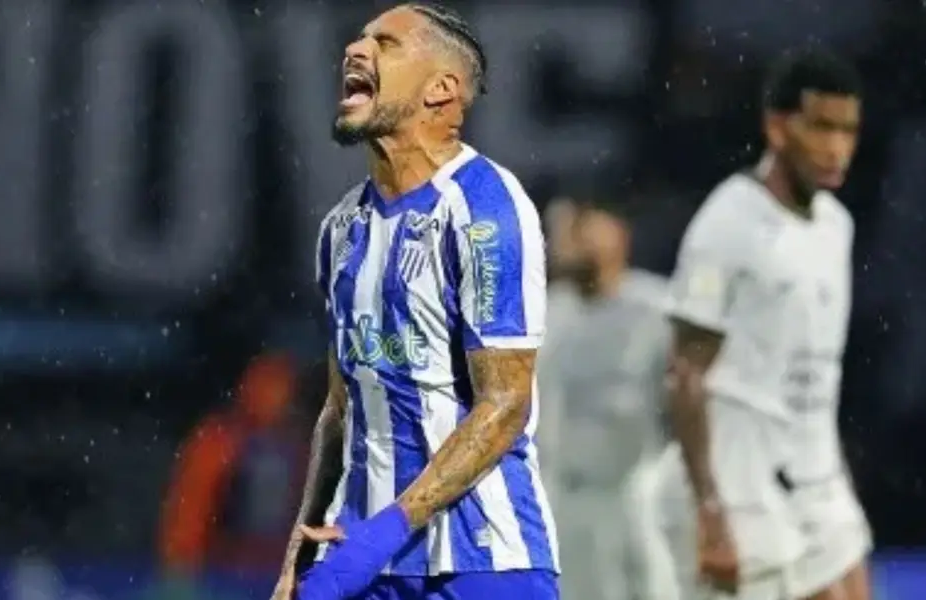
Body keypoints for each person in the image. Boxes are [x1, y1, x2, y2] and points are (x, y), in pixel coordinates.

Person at [269, 4, 559, 600]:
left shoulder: (485, 206)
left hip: (482, 561)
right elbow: (340, 405)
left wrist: (386, 532)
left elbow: (504, 403)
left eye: (386, 43)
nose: (355, 49)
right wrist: (304, 540)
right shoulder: (341, 228)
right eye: (358, 38)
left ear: (442, 90)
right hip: (363, 562)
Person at [655, 48, 868, 600]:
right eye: (821, 127)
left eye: (848, 130)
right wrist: (709, 511)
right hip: (743, 484)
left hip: (818, 477)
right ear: (777, 126)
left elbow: (820, 376)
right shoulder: (728, 222)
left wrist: (836, 472)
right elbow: (685, 374)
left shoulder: (836, 226)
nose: (836, 147)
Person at [537, 199, 677, 600]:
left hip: (637, 497)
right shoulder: (542, 314)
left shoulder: (659, 309)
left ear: (617, 230)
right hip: (562, 500)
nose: (566, 240)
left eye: (581, 225)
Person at [160, 352, 308, 597]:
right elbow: (191, 507)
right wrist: (182, 563)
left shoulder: (301, 446)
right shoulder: (220, 441)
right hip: (222, 571)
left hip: (270, 569)